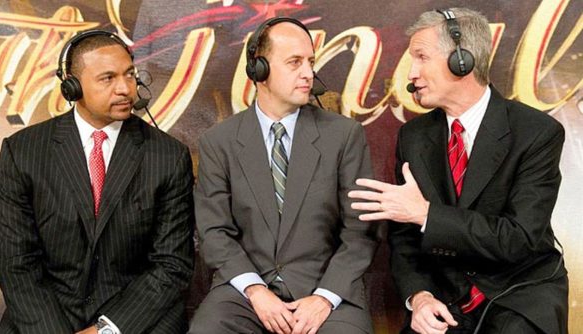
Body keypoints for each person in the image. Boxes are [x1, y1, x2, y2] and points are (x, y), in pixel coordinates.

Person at [349, 8, 568, 334]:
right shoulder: (413, 137)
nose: (411, 73)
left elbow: (517, 239)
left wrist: (426, 215)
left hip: (518, 296)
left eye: (421, 57)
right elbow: (404, 241)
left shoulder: (537, 132)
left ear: (462, 60)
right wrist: (419, 297)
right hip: (444, 298)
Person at [0, 30, 195, 333]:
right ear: (72, 87)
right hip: (45, 314)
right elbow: (14, 260)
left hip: (132, 315)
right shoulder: (23, 151)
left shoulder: (168, 156)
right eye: (108, 78)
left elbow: (171, 264)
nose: (125, 89)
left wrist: (106, 330)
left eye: (130, 75)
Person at [189, 17, 379, 334]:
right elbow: (214, 234)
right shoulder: (218, 142)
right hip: (244, 294)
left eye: (310, 62)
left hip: (327, 291)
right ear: (259, 69)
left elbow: (361, 234)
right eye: (294, 62)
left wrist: (324, 298)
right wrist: (255, 291)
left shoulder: (344, 136)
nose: (308, 73)